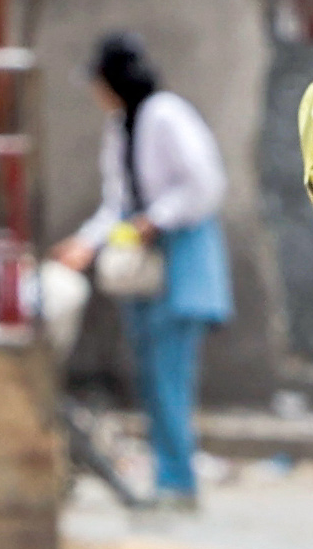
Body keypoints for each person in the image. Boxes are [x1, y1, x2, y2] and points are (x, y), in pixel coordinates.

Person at [49, 32, 230, 508]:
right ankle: (170, 477)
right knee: (150, 375)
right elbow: (118, 202)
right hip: (140, 262)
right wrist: (86, 244)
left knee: (171, 374)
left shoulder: (165, 115)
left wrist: (157, 219)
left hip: (180, 254)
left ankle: (178, 482)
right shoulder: (120, 126)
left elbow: (204, 183)